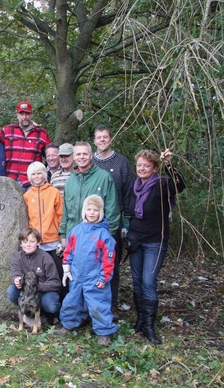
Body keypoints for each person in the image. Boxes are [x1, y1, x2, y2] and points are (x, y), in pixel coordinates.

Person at [127, 149, 185, 345]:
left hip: (155, 241)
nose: (142, 169)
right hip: (135, 240)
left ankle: (150, 326)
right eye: (139, 165)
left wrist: (169, 164)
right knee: (136, 281)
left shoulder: (162, 183)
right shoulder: (135, 187)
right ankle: (141, 319)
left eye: (146, 166)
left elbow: (179, 186)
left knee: (148, 282)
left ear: (154, 168)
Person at [57, 195, 117, 346]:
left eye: (95, 210)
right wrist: (67, 267)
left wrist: (104, 278)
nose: (92, 213)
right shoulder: (76, 231)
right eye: (89, 209)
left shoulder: (104, 235)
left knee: (98, 304)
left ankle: (104, 332)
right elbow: (69, 251)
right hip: (77, 274)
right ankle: (68, 324)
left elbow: (108, 259)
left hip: (95, 275)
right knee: (72, 300)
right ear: (84, 211)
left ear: (101, 212)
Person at [93, 125, 135, 319]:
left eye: (105, 137)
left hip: (113, 221)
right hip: (92, 221)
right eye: (98, 137)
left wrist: (126, 221)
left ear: (110, 139)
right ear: (94, 140)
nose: (102, 140)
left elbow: (129, 193)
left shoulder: (121, 163)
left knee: (112, 264)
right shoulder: (89, 162)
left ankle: (112, 305)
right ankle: (93, 304)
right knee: (93, 264)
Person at [59, 142, 120, 247]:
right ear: (73, 157)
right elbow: (65, 212)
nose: (81, 157)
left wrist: (107, 235)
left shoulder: (104, 177)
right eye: (78, 154)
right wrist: (63, 235)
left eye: (85, 154)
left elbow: (112, 210)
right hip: (73, 237)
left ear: (91, 156)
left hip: (96, 239)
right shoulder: (70, 181)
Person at [23, 162, 64, 296]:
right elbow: (27, 218)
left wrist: (62, 236)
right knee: (39, 275)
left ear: (44, 174)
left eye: (39, 173)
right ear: (29, 177)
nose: (36, 176)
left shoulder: (54, 192)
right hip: (37, 244)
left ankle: (61, 307)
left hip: (53, 241)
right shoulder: (27, 195)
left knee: (58, 273)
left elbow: (60, 215)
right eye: (33, 174)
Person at [7, 228, 61, 325]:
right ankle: (29, 314)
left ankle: (48, 315)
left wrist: (37, 286)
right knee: (11, 291)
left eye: (32, 241)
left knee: (51, 305)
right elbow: (16, 272)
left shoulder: (45, 257)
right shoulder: (17, 257)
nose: (28, 244)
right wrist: (17, 279)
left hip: (43, 292)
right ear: (21, 244)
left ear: (38, 243)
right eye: (25, 241)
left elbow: (55, 283)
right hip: (26, 292)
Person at [0, 101, 51, 189]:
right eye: (22, 114)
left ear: (31, 115)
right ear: (17, 115)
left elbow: (50, 155)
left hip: (32, 182)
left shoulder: (41, 133)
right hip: (10, 181)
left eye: (27, 114)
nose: (25, 117)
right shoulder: (7, 131)